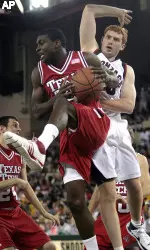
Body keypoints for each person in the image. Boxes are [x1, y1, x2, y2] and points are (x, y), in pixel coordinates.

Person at [2, 29, 119, 250]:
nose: (37, 48)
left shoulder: (86, 58)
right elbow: (36, 111)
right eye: (36, 44)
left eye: (41, 43)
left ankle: (40, 146)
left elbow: (112, 83)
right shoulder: (39, 72)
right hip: (69, 136)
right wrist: (57, 97)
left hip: (93, 119)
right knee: (75, 202)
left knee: (65, 104)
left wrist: (109, 78)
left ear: (57, 43)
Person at [79, 4, 150, 250]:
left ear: (122, 46)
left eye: (116, 39)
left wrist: (103, 99)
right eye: (108, 37)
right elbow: (88, 9)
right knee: (107, 188)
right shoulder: (91, 53)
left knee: (134, 183)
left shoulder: (126, 70)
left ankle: (137, 224)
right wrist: (116, 12)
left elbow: (129, 105)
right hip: (95, 122)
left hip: (118, 124)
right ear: (102, 39)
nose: (110, 41)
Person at [86, 127, 150, 250]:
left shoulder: (140, 159)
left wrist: (128, 195)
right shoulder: (105, 159)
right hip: (106, 219)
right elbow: (99, 189)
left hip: (129, 221)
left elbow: (147, 188)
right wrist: (88, 213)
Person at [0, 116, 58, 250]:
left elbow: (25, 185)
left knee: (50, 246)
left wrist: (44, 212)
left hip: (15, 212)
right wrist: (14, 181)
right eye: (15, 125)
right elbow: (19, 182)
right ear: (2, 129)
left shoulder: (20, 154)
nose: (19, 129)